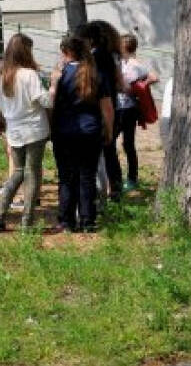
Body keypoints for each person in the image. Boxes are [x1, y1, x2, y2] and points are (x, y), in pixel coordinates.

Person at [50, 35, 114, 233]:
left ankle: (66, 220)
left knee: (66, 177)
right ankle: (88, 220)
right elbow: (107, 107)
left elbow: (51, 104)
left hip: (64, 131)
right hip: (90, 131)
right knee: (87, 176)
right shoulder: (95, 74)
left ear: (66, 52)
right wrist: (109, 130)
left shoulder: (59, 75)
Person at [0, 34, 51, 231]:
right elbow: (45, 101)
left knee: (17, 173)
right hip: (34, 130)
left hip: (14, 131)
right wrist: (54, 89)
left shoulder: (3, 76)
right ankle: (27, 220)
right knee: (32, 173)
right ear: (26, 51)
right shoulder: (29, 74)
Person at [77, 21, 125, 204]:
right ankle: (115, 189)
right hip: (112, 106)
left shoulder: (97, 59)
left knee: (103, 153)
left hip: (103, 109)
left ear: (90, 40)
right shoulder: (109, 55)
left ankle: (107, 193)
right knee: (109, 152)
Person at [118, 34, 159, 192]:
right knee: (116, 142)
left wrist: (140, 85)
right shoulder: (121, 62)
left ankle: (132, 178)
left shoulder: (136, 65)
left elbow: (154, 77)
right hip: (117, 107)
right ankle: (118, 177)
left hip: (128, 109)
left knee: (128, 143)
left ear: (125, 47)